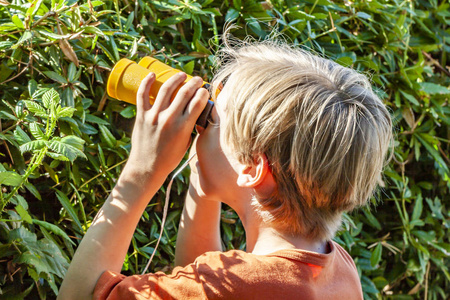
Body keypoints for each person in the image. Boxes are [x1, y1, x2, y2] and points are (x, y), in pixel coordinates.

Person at [58, 37, 392, 299]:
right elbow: (198, 275)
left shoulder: (227, 286)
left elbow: (81, 295)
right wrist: (201, 170)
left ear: (253, 167)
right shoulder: (338, 272)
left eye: (212, 118)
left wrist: (141, 172)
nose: (203, 121)